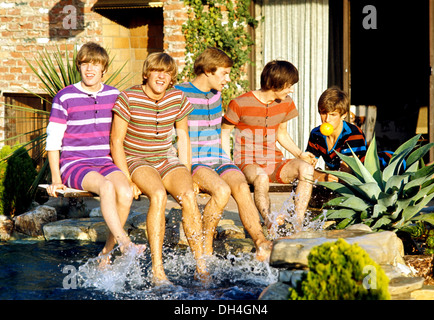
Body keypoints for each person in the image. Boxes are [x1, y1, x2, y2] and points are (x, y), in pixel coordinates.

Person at [110, 52, 209, 286]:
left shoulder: (177, 97)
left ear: (172, 77)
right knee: (158, 195)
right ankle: (158, 270)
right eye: (156, 71)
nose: (161, 76)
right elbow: (116, 141)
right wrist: (127, 180)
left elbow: (183, 135)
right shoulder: (128, 97)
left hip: (166, 159)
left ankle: (201, 267)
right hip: (137, 159)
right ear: (146, 73)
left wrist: (187, 171)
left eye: (166, 72)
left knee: (188, 196)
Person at [45, 42, 145, 265]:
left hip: (104, 161)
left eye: (95, 64)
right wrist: (55, 178)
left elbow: (124, 136)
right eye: (84, 64)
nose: (89, 69)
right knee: (106, 187)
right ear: (79, 67)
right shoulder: (64, 97)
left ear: (104, 70)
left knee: (126, 192)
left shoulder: (116, 95)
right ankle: (125, 243)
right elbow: (53, 140)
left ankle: (105, 255)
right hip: (75, 163)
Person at [175, 47, 272, 261]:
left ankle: (260, 242)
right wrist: (182, 171)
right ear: (208, 71)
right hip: (195, 161)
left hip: (218, 157)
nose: (227, 79)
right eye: (224, 73)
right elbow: (173, 135)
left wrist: (227, 158)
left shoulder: (216, 94)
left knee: (240, 186)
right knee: (221, 190)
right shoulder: (179, 93)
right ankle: (206, 247)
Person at [222, 60, 315, 231]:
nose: (291, 90)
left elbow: (281, 133)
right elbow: (225, 132)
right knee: (261, 177)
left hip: (275, 161)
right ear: (275, 84)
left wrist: (300, 154)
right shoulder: (239, 103)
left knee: (307, 169)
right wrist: (227, 164)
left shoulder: (286, 103)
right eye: (288, 86)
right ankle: (269, 219)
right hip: (247, 162)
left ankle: (298, 223)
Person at [306, 87, 400, 181]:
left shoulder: (353, 134)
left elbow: (346, 172)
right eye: (323, 113)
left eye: (333, 115)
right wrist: (321, 176)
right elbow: (305, 168)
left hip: (386, 167)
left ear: (343, 115)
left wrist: (320, 176)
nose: (327, 119)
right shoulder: (316, 134)